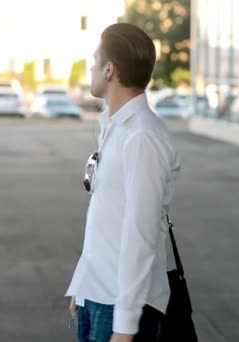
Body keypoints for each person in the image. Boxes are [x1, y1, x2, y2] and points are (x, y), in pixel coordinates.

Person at [65, 23, 181, 342]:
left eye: (95, 60)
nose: (90, 67)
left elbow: (139, 235)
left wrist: (125, 328)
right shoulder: (115, 128)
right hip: (97, 296)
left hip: (119, 307)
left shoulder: (142, 137)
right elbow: (107, 219)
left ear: (109, 70)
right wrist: (82, 283)